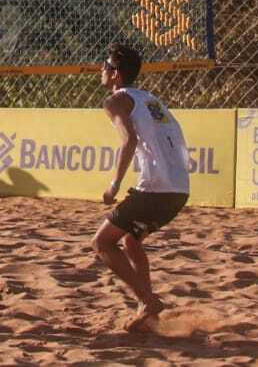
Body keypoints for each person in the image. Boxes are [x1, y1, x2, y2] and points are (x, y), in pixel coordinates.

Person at [92, 43, 190, 332]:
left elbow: (129, 141)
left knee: (101, 242)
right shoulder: (150, 98)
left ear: (116, 75)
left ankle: (148, 301)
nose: (101, 70)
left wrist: (114, 185)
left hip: (156, 188)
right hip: (179, 189)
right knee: (131, 241)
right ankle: (148, 312)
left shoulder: (116, 101)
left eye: (105, 66)